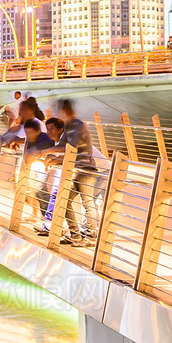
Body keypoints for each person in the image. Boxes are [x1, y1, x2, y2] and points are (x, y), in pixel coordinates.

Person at [54, 99, 99, 243]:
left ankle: (91, 237)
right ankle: (76, 235)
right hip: (77, 170)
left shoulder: (79, 126)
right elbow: (61, 145)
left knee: (87, 202)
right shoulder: (68, 126)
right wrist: (50, 156)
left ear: (66, 111)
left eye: (59, 111)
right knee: (65, 200)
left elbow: (71, 147)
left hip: (86, 170)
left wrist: (46, 151)